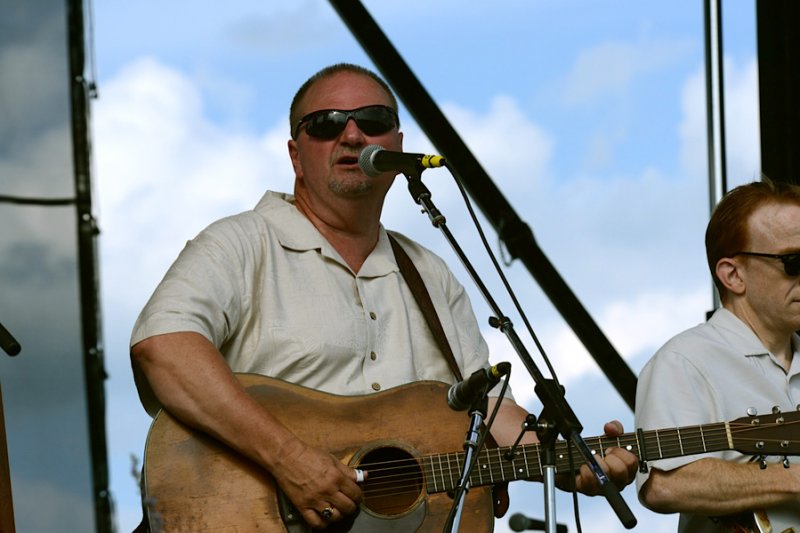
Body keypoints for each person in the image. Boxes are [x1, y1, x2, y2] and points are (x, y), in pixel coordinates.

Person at [131, 62, 637, 530]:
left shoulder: (428, 273)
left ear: (397, 145)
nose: (352, 135)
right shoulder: (241, 243)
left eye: (372, 121)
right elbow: (164, 347)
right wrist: (289, 459)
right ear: (295, 155)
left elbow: (484, 407)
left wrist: (573, 458)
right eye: (326, 124)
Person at [635, 178, 800, 532]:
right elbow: (667, 482)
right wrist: (792, 480)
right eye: (793, 261)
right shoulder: (684, 361)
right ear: (733, 275)